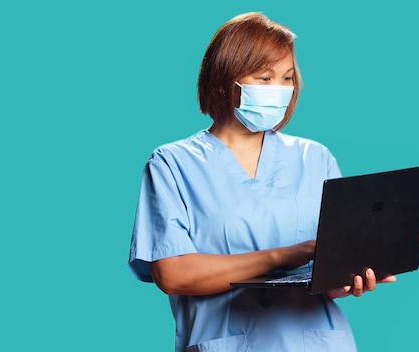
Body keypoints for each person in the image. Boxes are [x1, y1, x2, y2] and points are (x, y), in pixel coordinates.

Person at [128, 12, 396, 352]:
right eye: (265, 78)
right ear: (226, 80)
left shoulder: (315, 158)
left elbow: (329, 275)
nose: (280, 91)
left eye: (287, 78)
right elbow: (173, 273)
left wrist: (347, 278)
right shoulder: (172, 164)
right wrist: (282, 257)